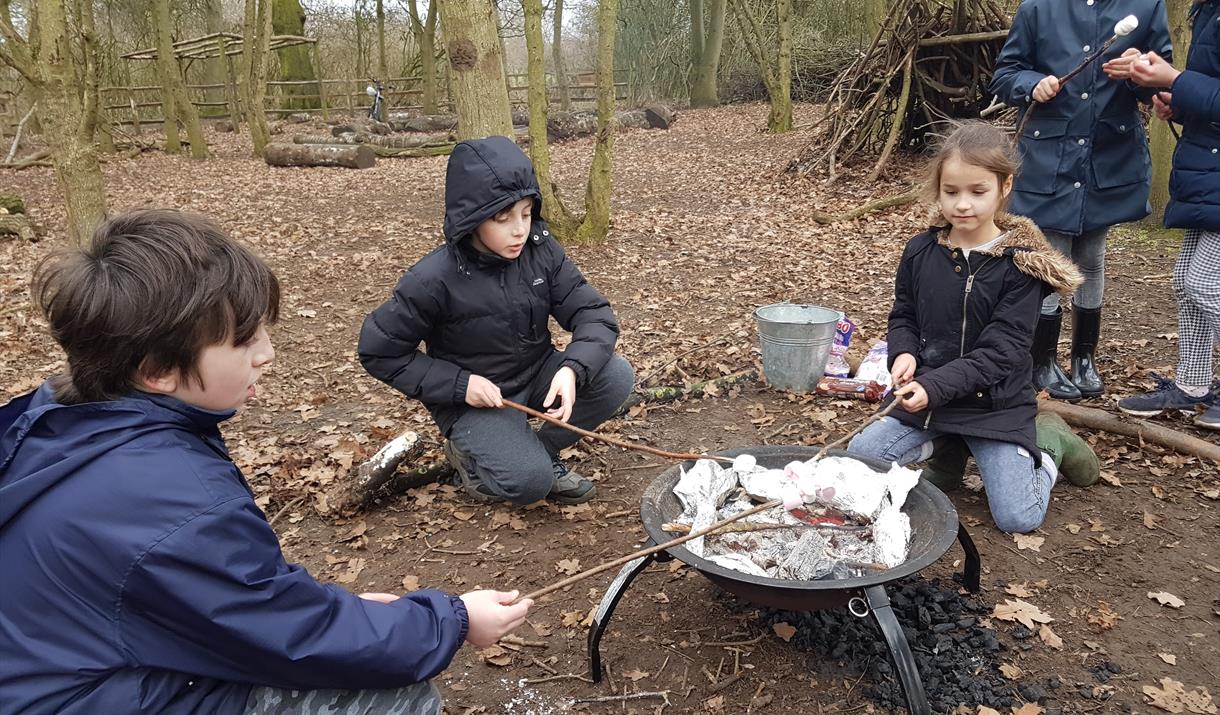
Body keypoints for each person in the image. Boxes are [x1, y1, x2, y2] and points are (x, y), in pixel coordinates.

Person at [0, 209, 531, 715]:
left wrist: (349, 615)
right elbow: (298, 637)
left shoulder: (58, 420)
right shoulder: (173, 501)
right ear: (158, 368)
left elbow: (236, 601)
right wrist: (454, 621)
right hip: (79, 698)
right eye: (245, 339)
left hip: (63, 670)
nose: (267, 353)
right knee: (394, 695)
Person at [847, 123, 1100, 534]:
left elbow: (1001, 352)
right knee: (860, 457)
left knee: (1018, 516)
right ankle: (948, 448)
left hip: (994, 406)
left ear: (1004, 187)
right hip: (930, 404)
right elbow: (904, 314)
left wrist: (932, 387)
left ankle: (1051, 440)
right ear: (939, 190)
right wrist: (904, 353)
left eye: (977, 192)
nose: (962, 205)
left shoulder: (1020, 267)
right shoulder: (921, 250)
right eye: (951, 192)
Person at [359, 136, 634, 506]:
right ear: (471, 219)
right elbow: (379, 351)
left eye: (525, 213)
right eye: (502, 218)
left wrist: (570, 369)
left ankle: (540, 452)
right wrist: (460, 385)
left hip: (535, 372)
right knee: (529, 486)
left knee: (616, 376)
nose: (519, 229)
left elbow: (593, 313)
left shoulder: (540, 250)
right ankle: (473, 461)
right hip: (473, 399)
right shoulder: (432, 279)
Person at [990, 0, 1172, 400]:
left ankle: (1083, 356)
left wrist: (1139, 72)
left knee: (1092, 254)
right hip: (1048, 156)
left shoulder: (1146, 5)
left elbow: (1162, 84)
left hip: (1109, 155)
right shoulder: (1037, 7)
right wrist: (1031, 84)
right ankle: (1042, 359)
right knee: (1052, 256)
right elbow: (1005, 75)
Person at [1118, 1, 1220, 429]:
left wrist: (1176, 78)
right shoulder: (1208, 10)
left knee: (1205, 281)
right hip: (1206, 167)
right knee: (1184, 280)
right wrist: (1175, 99)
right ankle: (1193, 385)